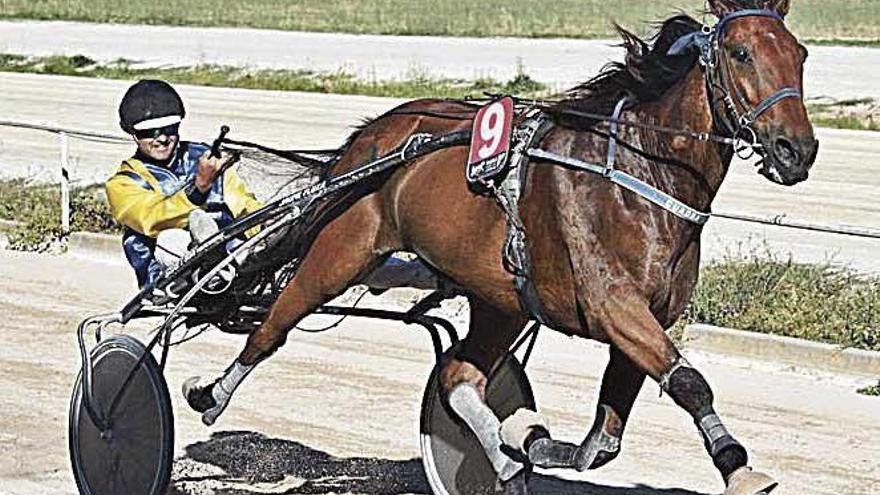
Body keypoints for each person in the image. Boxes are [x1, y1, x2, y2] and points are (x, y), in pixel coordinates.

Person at [106, 79, 261, 288]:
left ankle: (229, 259)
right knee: (172, 238)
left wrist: (263, 226)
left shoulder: (206, 158)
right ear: (133, 135)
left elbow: (243, 205)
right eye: (149, 132)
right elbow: (154, 219)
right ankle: (209, 264)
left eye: (168, 129)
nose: (161, 138)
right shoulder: (123, 182)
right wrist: (200, 188)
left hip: (229, 246)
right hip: (168, 270)